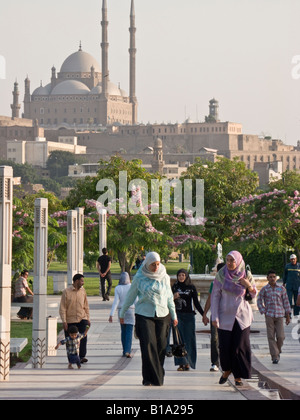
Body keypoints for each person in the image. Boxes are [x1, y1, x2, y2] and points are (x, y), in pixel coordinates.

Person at [119, 251, 178, 386]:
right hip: (144, 315)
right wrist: (122, 313)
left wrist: (174, 315)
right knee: (148, 346)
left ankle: (155, 375)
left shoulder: (164, 276)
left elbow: (169, 297)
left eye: (157, 264)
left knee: (162, 347)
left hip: (163, 314)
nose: (156, 267)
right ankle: (151, 378)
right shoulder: (139, 278)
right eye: (153, 265)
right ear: (147, 264)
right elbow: (130, 296)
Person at [211, 250, 257, 386]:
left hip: (242, 316)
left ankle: (238, 376)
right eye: (228, 260)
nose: (230, 263)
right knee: (225, 347)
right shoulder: (221, 275)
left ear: (238, 261)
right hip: (225, 316)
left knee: (239, 347)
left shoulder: (246, 274)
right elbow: (215, 296)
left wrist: (247, 285)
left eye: (233, 261)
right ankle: (227, 369)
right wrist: (214, 316)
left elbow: (254, 295)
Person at [172, 268, 204, 371]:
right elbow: (168, 301)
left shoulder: (191, 287)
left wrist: (204, 315)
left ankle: (188, 362)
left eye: (183, 275)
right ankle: (181, 363)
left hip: (189, 316)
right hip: (178, 316)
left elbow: (196, 303)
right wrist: (173, 297)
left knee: (189, 340)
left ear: (186, 276)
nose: (181, 277)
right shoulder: (175, 287)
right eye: (179, 275)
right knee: (179, 339)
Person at [257, 269, 291, 364]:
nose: (272, 278)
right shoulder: (264, 289)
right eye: (270, 277)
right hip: (269, 315)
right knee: (271, 336)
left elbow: (286, 302)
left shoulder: (281, 289)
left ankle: (277, 350)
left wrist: (287, 315)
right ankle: (275, 356)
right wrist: (263, 311)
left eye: (274, 277)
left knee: (281, 336)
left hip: (280, 315)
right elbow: (259, 300)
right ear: (267, 278)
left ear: (276, 278)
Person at [59, 273, 91, 364]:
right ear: (76, 281)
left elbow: (86, 306)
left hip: (82, 318)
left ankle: (82, 356)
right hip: (70, 320)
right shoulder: (66, 292)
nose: (83, 283)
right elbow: (62, 308)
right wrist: (64, 321)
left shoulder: (83, 291)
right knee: (70, 341)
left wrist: (88, 318)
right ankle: (72, 358)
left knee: (83, 337)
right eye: (82, 281)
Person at [202, 262, 225, 372]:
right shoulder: (214, 283)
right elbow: (210, 298)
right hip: (216, 315)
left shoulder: (233, 282)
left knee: (227, 339)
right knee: (215, 339)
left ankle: (227, 362)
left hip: (229, 315)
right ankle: (215, 362)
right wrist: (204, 313)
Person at [109, 271, 136, 358]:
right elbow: (136, 300)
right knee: (129, 331)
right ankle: (128, 350)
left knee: (123, 331)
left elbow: (116, 302)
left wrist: (111, 314)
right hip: (131, 311)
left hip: (121, 312)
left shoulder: (118, 288)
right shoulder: (132, 287)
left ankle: (124, 350)